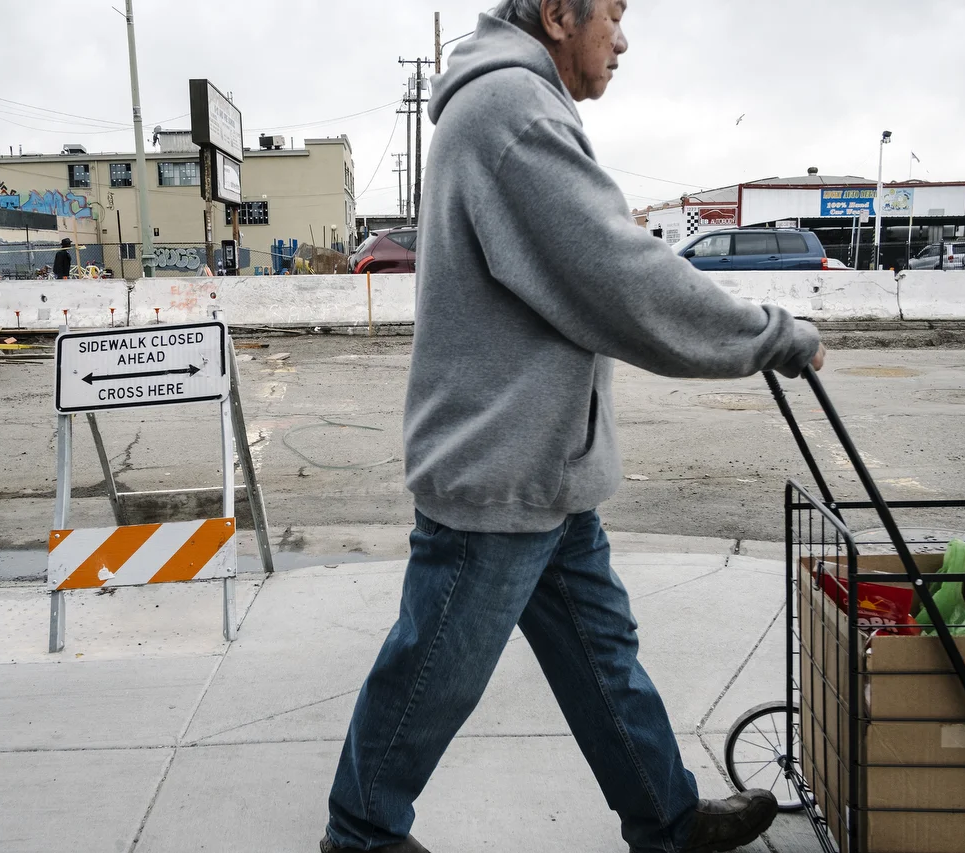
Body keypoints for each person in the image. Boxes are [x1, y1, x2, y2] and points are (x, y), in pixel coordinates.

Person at [319, 2, 825, 853]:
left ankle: (666, 818)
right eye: (614, 16)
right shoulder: (511, 112)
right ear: (559, 14)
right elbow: (619, 278)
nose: (623, 40)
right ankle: (361, 834)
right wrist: (768, 335)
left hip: (546, 470)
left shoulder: (521, 104)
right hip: (499, 473)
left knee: (604, 661)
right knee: (431, 674)